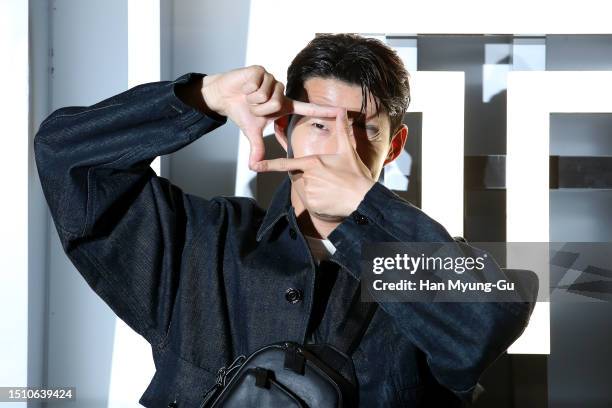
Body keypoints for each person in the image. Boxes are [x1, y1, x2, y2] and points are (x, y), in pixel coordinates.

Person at [34, 33, 535, 407]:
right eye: (320, 124)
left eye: (364, 130)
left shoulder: (418, 263)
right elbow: (66, 157)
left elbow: (484, 325)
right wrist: (202, 97)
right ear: (283, 128)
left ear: (394, 147)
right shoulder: (203, 245)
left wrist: (365, 203)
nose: (341, 147)